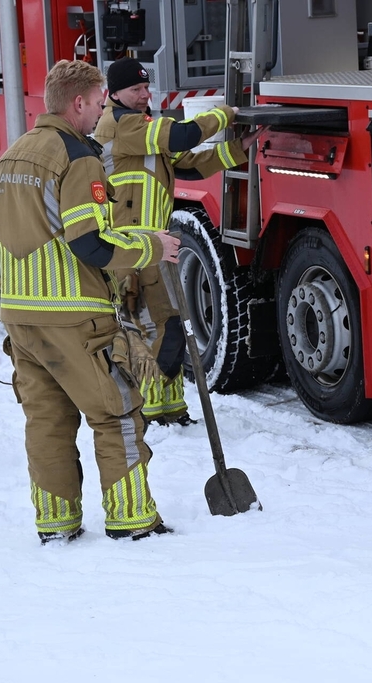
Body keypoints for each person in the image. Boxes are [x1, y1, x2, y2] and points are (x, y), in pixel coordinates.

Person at [0, 60, 180, 544]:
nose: (101, 114)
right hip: (73, 316)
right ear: (78, 102)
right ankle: (133, 518)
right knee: (115, 411)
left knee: (47, 422)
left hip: (19, 316)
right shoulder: (78, 157)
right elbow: (90, 243)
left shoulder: (11, 157)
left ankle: (56, 524)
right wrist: (152, 246)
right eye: (98, 103)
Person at [93, 57, 262, 427]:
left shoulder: (141, 126)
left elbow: (187, 163)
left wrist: (240, 148)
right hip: (133, 247)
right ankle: (153, 411)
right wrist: (226, 114)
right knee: (157, 328)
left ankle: (170, 407)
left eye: (145, 87)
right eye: (135, 89)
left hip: (154, 244)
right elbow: (182, 136)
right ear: (114, 93)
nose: (143, 95)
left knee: (169, 326)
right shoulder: (122, 125)